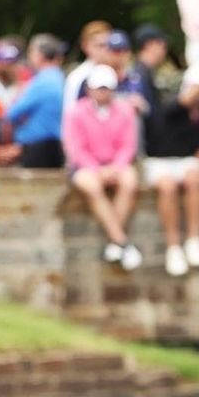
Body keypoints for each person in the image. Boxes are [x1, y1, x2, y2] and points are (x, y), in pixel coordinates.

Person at [62, 66, 141, 268]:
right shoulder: (76, 112)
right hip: (86, 166)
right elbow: (76, 148)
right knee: (91, 186)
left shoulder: (125, 110)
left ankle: (115, 243)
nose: (103, 92)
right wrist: (98, 170)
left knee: (130, 181)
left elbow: (128, 145)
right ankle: (121, 241)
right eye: (99, 88)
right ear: (89, 89)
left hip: (116, 164)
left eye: (107, 88)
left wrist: (115, 168)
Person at [144, 61, 199, 275]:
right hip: (159, 161)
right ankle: (173, 247)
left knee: (194, 181)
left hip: (185, 161)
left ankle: (193, 241)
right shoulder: (172, 103)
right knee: (167, 188)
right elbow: (186, 100)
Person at [5, 34, 66, 167]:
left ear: (40, 54)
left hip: (37, 147)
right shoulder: (60, 78)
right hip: (56, 144)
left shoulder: (42, 81)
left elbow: (12, 113)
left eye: (31, 51)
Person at [63, 20, 111, 111]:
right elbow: (69, 111)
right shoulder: (77, 77)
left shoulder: (118, 73)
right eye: (99, 45)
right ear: (85, 46)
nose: (105, 50)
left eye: (108, 45)